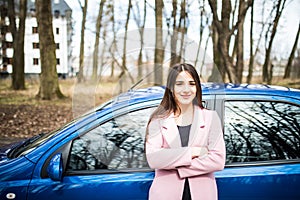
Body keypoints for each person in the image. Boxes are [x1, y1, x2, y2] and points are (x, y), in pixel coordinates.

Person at [145, 63, 226, 200]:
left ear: (197, 88)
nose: (186, 89)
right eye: (180, 84)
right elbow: (154, 159)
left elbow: (217, 160)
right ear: (171, 88)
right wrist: (193, 152)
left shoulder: (211, 118)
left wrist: (177, 168)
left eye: (191, 83)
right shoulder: (158, 120)